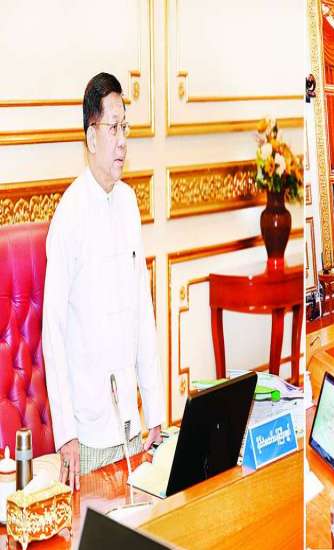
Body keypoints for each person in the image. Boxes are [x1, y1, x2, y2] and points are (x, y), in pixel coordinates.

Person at [43, 73, 164, 488]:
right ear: (91, 137)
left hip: (130, 423)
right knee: (95, 525)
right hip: (88, 433)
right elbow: (53, 330)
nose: (123, 141)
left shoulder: (128, 203)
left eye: (125, 127)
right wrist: (66, 433)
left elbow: (143, 312)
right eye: (114, 128)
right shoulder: (69, 215)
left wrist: (155, 409)